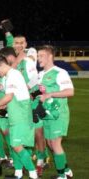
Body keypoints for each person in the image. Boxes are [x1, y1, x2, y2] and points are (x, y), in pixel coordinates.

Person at [0, 55, 38, 179]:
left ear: (1, 64)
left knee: (16, 145)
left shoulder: (13, 75)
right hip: (16, 114)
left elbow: (8, 97)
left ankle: (33, 173)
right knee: (15, 145)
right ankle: (18, 173)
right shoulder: (10, 75)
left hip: (21, 115)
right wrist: (4, 107)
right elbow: (15, 97)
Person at [37, 45, 74, 179]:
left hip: (58, 114)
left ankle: (61, 176)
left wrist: (49, 95)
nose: (38, 58)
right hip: (47, 115)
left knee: (55, 143)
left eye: (41, 56)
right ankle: (67, 171)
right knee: (50, 144)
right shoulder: (40, 74)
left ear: (50, 56)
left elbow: (70, 92)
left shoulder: (60, 72)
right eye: (37, 56)